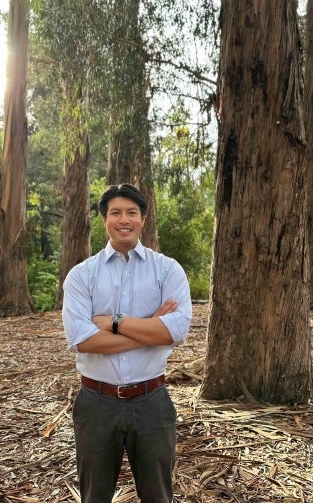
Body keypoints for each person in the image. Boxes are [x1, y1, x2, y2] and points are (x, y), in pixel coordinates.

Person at [62, 183, 192, 503]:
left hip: (152, 401)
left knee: (158, 495)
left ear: (143, 219)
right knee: (94, 496)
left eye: (132, 212)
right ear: (104, 220)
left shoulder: (167, 270)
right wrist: (150, 330)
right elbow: (84, 340)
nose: (124, 219)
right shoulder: (82, 275)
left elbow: (175, 331)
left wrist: (113, 323)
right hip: (96, 402)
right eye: (116, 212)